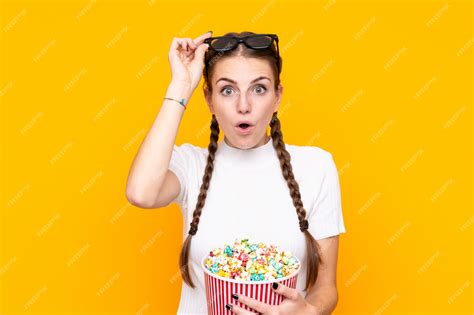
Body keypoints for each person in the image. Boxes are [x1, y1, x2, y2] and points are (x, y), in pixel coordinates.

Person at [126, 30, 346, 314]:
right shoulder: (191, 164)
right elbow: (140, 193)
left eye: (259, 89)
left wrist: (309, 312)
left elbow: (326, 287)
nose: (244, 106)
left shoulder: (316, 167)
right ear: (209, 99)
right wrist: (180, 87)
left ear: (278, 96)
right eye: (227, 90)